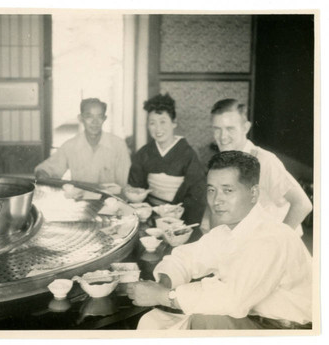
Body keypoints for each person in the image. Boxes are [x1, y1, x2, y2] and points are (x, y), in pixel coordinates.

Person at [127, 151, 312, 330]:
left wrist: (163, 296)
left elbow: (232, 298)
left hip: (285, 330)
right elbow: (186, 258)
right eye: (211, 190)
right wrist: (163, 284)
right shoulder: (227, 231)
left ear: (254, 194)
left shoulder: (270, 238)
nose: (216, 200)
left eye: (227, 190)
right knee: (153, 320)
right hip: (252, 319)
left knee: (200, 320)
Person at [205, 98, 312, 236]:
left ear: (245, 128)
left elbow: (303, 204)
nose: (223, 136)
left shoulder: (264, 161)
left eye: (230, 129)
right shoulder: (222, 162)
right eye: (217, 129)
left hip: (271, 244)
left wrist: (278, 240)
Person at [128, 93, 206, 229]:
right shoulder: (144, 153)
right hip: (149, 218)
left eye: (163, 121)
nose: (158, 128)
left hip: (180, 219)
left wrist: (174, 216)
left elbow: (196, 196)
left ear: (174, 122)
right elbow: (136, 189)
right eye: (152, 123)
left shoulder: (188, 154)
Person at [34, 98, 131, 186]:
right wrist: (42, 174)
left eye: (99, 117)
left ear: (104, 119)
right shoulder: (70, 146)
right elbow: (44, 170)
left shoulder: (118, 145)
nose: (95, 122)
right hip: (80, 202)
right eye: (89, 116)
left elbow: (126, 184)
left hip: (111, 202)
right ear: (81, 118)